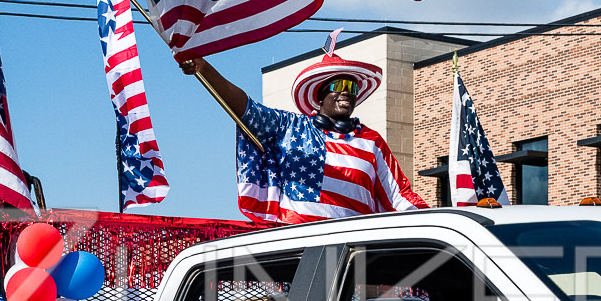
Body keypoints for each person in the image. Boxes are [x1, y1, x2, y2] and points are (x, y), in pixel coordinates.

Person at [181, 41, 427, 224]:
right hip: (298, 250)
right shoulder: (290, 127)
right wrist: (205, 69)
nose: (347, 92)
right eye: (339, 85)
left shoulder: (371, 141)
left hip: (354, 256)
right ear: (321, 95)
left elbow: (399, 196)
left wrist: (432, 225)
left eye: (351, 86)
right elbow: (246, 109)